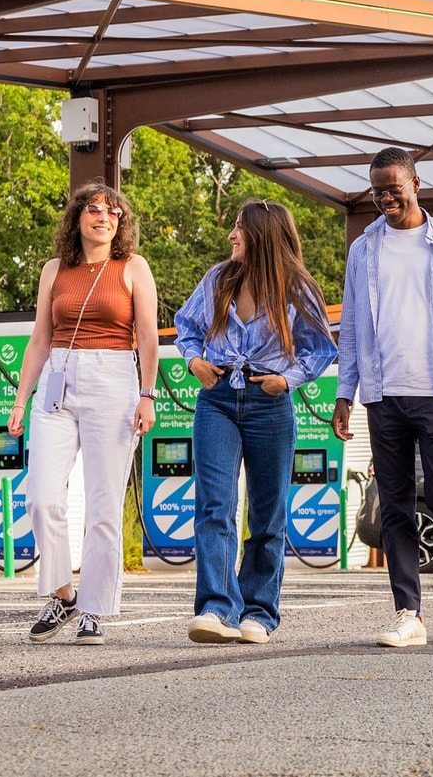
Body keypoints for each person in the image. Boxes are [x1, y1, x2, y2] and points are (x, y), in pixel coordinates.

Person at [332, 147, 433, 647]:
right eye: (377, 191)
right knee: (395, 504)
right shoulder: (364, 249)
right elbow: (352, 327)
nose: (386, 198)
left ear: (416, 184)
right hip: (383, 394)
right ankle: (409, 613)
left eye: (394, 189)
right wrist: (345, 393)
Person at [174, 200, 336, 644]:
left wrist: (287, 380)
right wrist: (194, 362)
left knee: (267, 514)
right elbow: (186, 327)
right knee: (214, 506)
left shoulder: (297, 288)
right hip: (217, 400)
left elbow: (321, 349)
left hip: (270, 403)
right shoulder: (218, 278)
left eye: (239, 228)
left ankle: (259, 613)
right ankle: (216, 609)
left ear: (262, 234)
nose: (231, 235)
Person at [9, 181, 159, 645]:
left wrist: (148, 394)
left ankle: (93, 608)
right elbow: (40, 338)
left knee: (103, 503)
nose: (103, 218)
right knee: (41, 497)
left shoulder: (132, 267)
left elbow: (148, 337)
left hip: (113, 380)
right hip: (58, 377)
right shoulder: (54, 269)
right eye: (94, 209)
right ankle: (64, 595)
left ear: (121, 223)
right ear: (77, 216)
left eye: (113, 212)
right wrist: (21, 398)